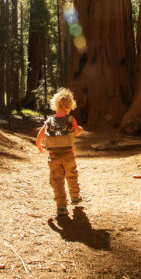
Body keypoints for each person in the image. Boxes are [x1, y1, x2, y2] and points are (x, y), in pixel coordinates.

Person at [36, 88, 84, 216]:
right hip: (68, 154)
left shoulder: (50, 120)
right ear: (70, 106)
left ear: (55, 105)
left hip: (53, 155)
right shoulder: (70, 120)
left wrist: (38, 144)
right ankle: (75, 196)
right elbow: (76, 132)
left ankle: (61, 205)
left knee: (57, 180)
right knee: (71, 175)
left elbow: (41, 133)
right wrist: (80, 129)